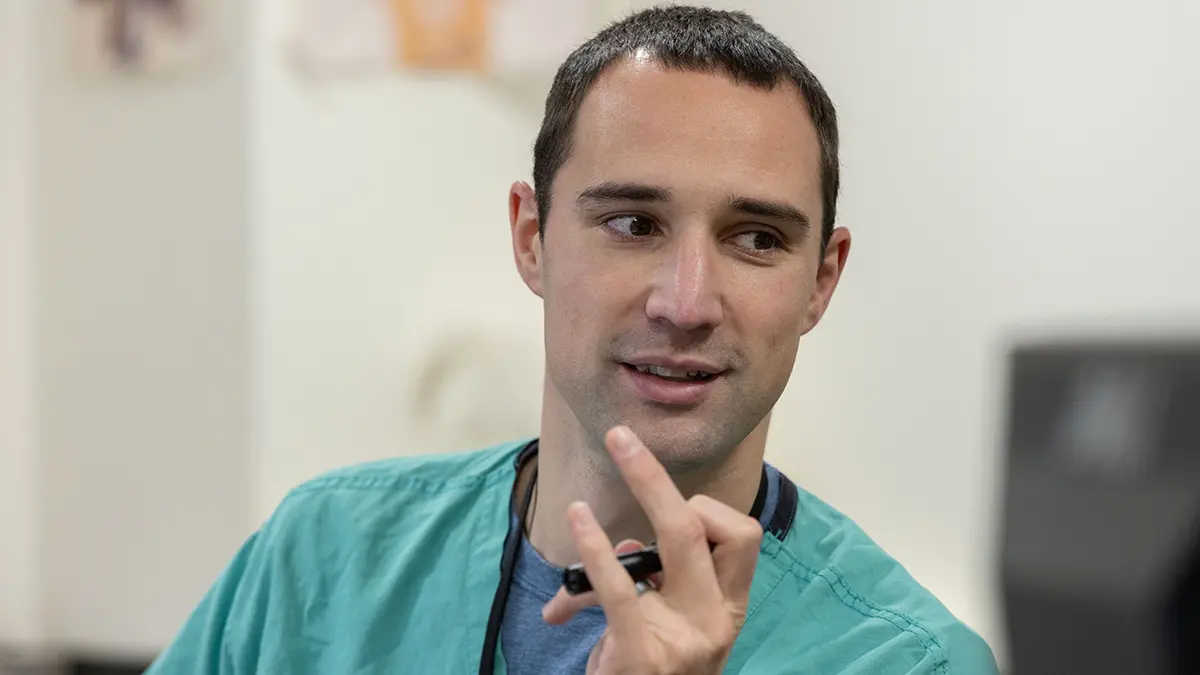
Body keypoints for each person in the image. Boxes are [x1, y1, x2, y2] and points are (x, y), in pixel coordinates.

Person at [147, 6, 1000, 674]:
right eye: (633, 222)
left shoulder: (910, 661)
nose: (688, 300)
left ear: (821, 280)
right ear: (531, 238)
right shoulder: (323, 557)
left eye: (757, 239)